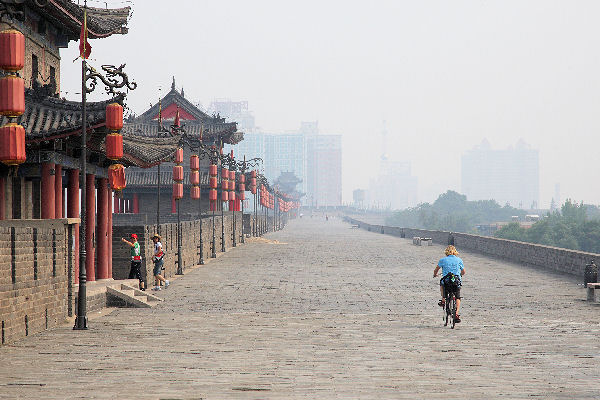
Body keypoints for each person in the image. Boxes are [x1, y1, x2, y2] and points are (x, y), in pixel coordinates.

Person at [433, 245, 465, 323]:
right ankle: (456, 314)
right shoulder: (459, 260)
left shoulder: (443, 260)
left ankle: (443, 299)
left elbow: (436, 270)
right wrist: (460, 275)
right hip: (456, 281)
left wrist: (435, 274)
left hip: (446, 281)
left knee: (442, 284)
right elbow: (463, 272)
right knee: (457, 297)